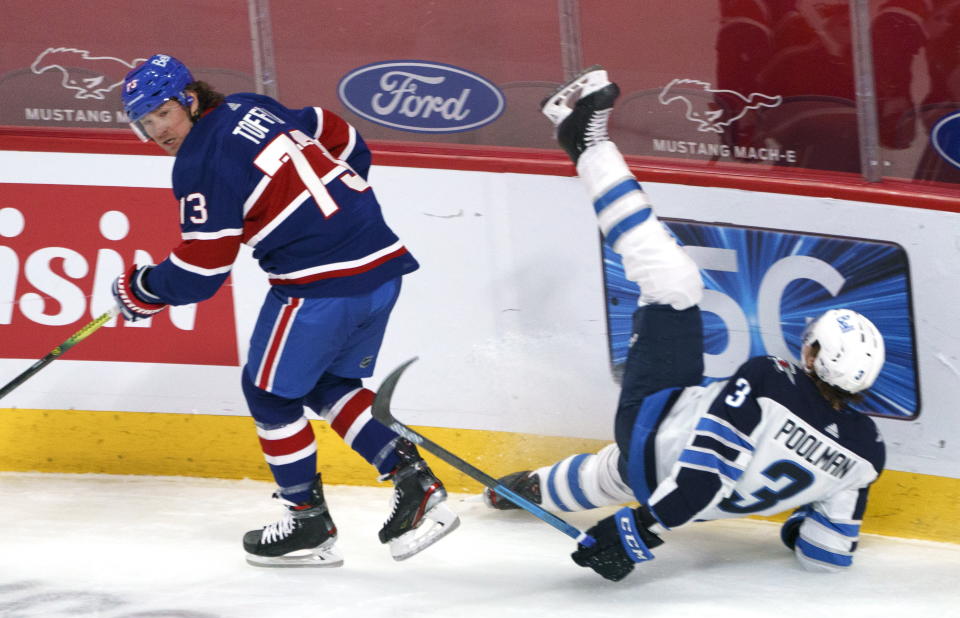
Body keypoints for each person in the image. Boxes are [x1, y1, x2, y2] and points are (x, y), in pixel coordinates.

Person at [485, 66, 887, 581]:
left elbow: (704, 473)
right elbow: (827, 554)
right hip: (655, 470)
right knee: (623, 470)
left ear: (813, 355)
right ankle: (520, 490)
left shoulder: (770, 379)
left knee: (673, 285)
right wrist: (799, 525)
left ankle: (586, 143)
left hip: (656, 435)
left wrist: (639, 531)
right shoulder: (866, 452)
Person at [114, 54, 459, 567]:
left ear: (189, 97)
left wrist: (143, 289)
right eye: (144, 123)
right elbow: (333, 129)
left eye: (162, 113)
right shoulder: (249, 106)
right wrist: (344, 206)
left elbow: (204, 271)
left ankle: (307, 522)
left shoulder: (197, 163)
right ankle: (411, 480)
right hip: (380, 265)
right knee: (323, 384)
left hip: (320, 286)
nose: (157, 130)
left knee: (268, 395)